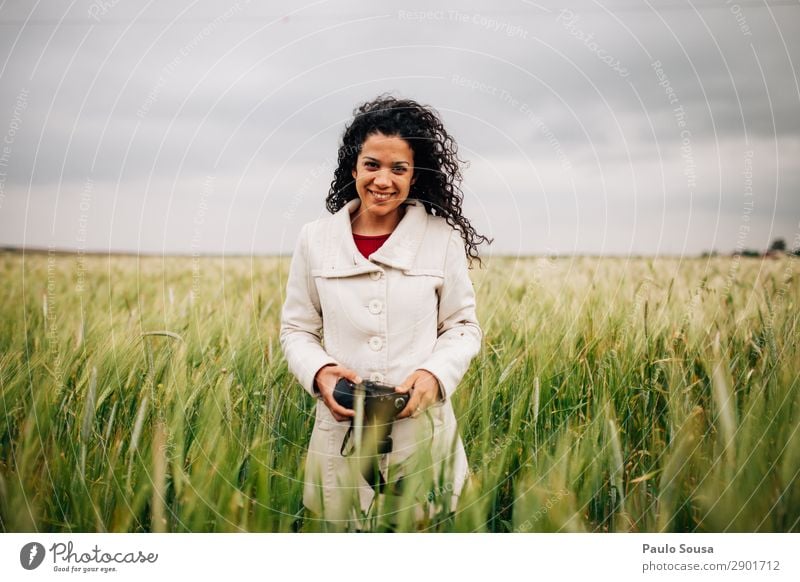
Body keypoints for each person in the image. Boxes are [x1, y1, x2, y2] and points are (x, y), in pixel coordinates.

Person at [280, 95, 490, 531]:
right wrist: (320, 374)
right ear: (353, 167)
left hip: (424, 437)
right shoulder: (314, 239)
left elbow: (463, 327)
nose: (383, 180)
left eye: (399, 169)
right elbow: (297, 329)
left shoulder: (442, 238)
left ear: (415, 175)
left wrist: (434, 376)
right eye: (372, 164)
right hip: (340, 438)